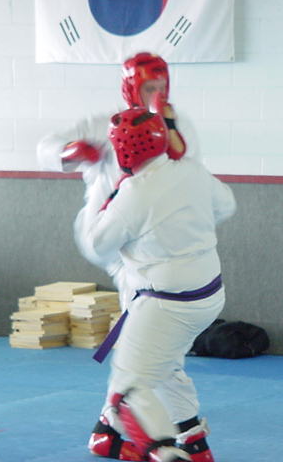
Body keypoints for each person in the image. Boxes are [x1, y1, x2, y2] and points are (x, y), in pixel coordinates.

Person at [81, 108, 236, 462]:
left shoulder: (135, 193)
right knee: (163, 364)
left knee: (128, 388)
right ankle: (191, 443)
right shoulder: (192, 171)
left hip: (165, 303)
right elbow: (226, 205)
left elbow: (95, 245)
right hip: (208, 296)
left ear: (122, 150)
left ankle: (162, 451)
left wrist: (93, 182)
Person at [37, 52, 198, 310]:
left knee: (152, 298)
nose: (157, 95)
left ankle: (139, 330)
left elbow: (187, 169)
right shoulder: (104, 125)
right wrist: (69, 151)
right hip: (107, 224)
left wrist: (168, 127)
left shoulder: (179, 126)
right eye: (150, 89)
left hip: (154, 227)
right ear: (131, 89)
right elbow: (45, 148)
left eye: (162, 88)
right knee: (136, 288)